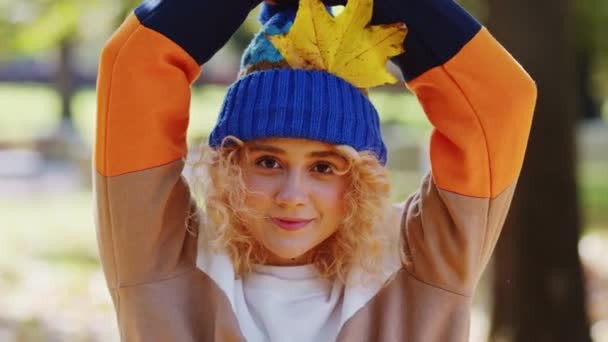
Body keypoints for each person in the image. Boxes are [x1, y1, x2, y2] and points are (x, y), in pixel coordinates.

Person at [94, 0, 537, 340]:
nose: (292, 194)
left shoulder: (417, 264)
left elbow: (499, 101)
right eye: (267, 162)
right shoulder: (162, 256)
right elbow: (134, 66)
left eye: (325, 166)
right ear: (228, 166)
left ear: (361, 177)